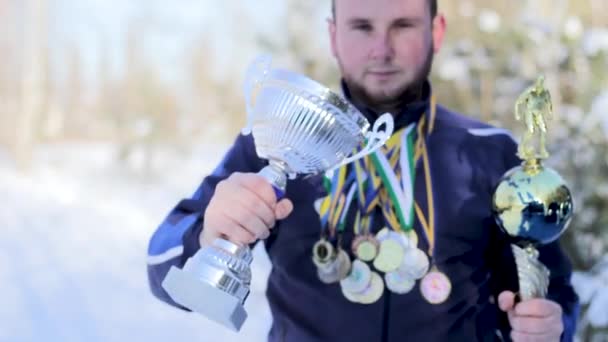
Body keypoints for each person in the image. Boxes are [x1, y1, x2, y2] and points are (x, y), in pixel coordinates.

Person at [146, 0, 579, 341]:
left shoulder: (494, 153)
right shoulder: (273, 138)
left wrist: (548, 326)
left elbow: (554, 290)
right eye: (362, 26)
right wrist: (208, 235)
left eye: (403, 25)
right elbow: (160, 266)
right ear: (333, 36)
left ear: (437, 31)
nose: (381, 49)